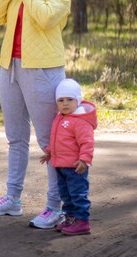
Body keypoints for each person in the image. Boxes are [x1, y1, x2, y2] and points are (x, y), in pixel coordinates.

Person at [0, 0, 73, 230]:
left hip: (43, 70)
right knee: (16, 138)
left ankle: (54, 207)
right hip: (10, 68)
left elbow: (46, 18)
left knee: (50, 142)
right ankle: (12, 199)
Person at [40, 78, 97, 235]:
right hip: (60, 165)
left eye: (70, 100)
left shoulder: (80, 121)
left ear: (78, 100)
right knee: (65, 194)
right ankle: (71, 219)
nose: (65, 103)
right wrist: (49, 152)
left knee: (78, 194)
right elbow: (56, 138)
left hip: (75, 167)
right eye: (61, 100)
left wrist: (85, 160)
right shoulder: (60, 118)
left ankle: (82, 222)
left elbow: (87, 142)